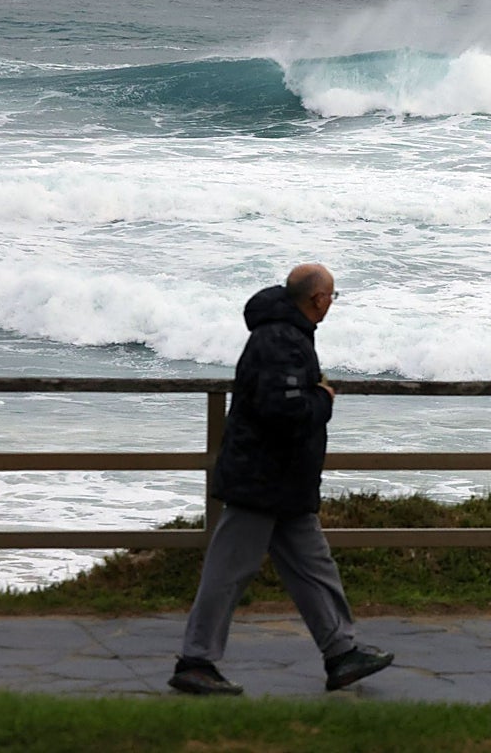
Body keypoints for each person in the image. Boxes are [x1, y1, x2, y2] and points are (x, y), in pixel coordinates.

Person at [167, 263, 392, 695]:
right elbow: (284, 411)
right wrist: (323, 399)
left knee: (314, 568)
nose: (331, 304)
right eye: (331, 297)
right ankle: (196, 660)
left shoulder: (288, 333)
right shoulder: (280, 340)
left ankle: (341, 653)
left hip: (284, 482)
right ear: (316, 299)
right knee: (228, 572)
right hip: (262, 482)